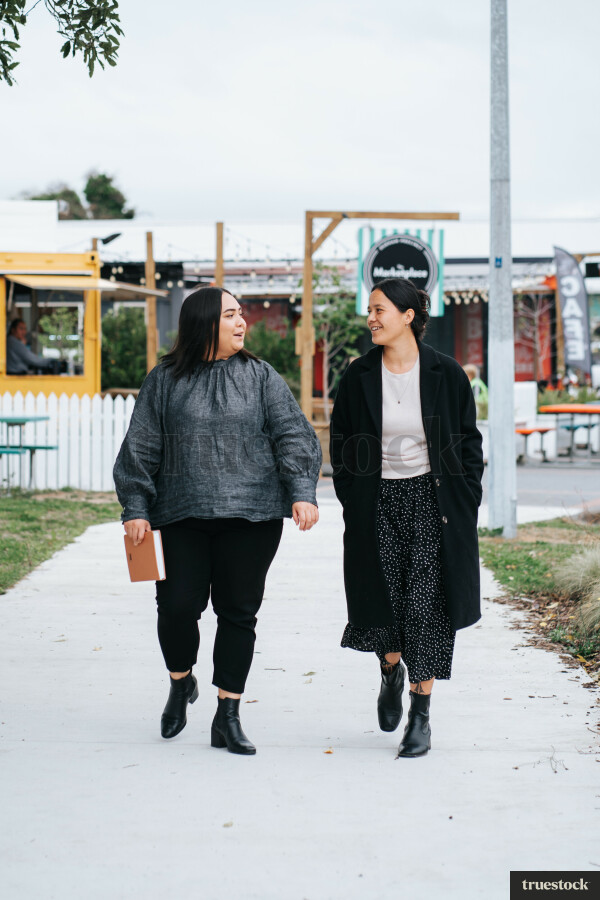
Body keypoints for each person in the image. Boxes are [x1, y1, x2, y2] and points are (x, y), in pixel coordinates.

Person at [113, 286, 321, 755]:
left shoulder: (261, 376)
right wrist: (136, 509)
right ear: (204, 323)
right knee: (178, 607)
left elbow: (292, 435)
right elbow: (141, 446)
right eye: (230, 314)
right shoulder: (164, 379)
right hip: (180, 514)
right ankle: (181, 680)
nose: (241, 321)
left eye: (241, 313)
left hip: (252, 517)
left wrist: (301, 493)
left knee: (238, 614)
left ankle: (228, 714)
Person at [330, 277, 483, 758]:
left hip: (432, 504)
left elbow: (468, 443)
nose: (371, 318)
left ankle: (421, 714)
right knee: (386, 604)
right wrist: (354, 500)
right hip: (376, 503)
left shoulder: (446, 373)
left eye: (379, 310)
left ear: (407, 316)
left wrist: (466, 497)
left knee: (426, 607)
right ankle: (390, 670)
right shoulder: (357, 376)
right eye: (370, 311)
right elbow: (342, 446)